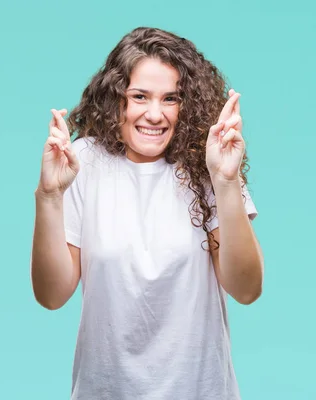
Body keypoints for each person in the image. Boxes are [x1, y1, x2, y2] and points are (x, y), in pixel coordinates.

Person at [30, 27, 264, 399]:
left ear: (186, 104)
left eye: (170, 98)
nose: (154, 114)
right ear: (115, 98)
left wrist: (225, 180)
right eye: (140, 96)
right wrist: (49, 196)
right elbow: (52, 295)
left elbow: (247, 289)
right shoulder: (84, 161)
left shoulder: (207, 162)